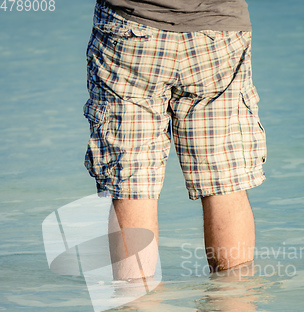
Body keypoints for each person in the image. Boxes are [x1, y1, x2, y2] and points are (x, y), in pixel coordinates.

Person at [83, 0, 267, 279]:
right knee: (224, 181)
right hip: (218, 30)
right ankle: (233, 311)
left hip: (130, 28)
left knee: (132, 183)